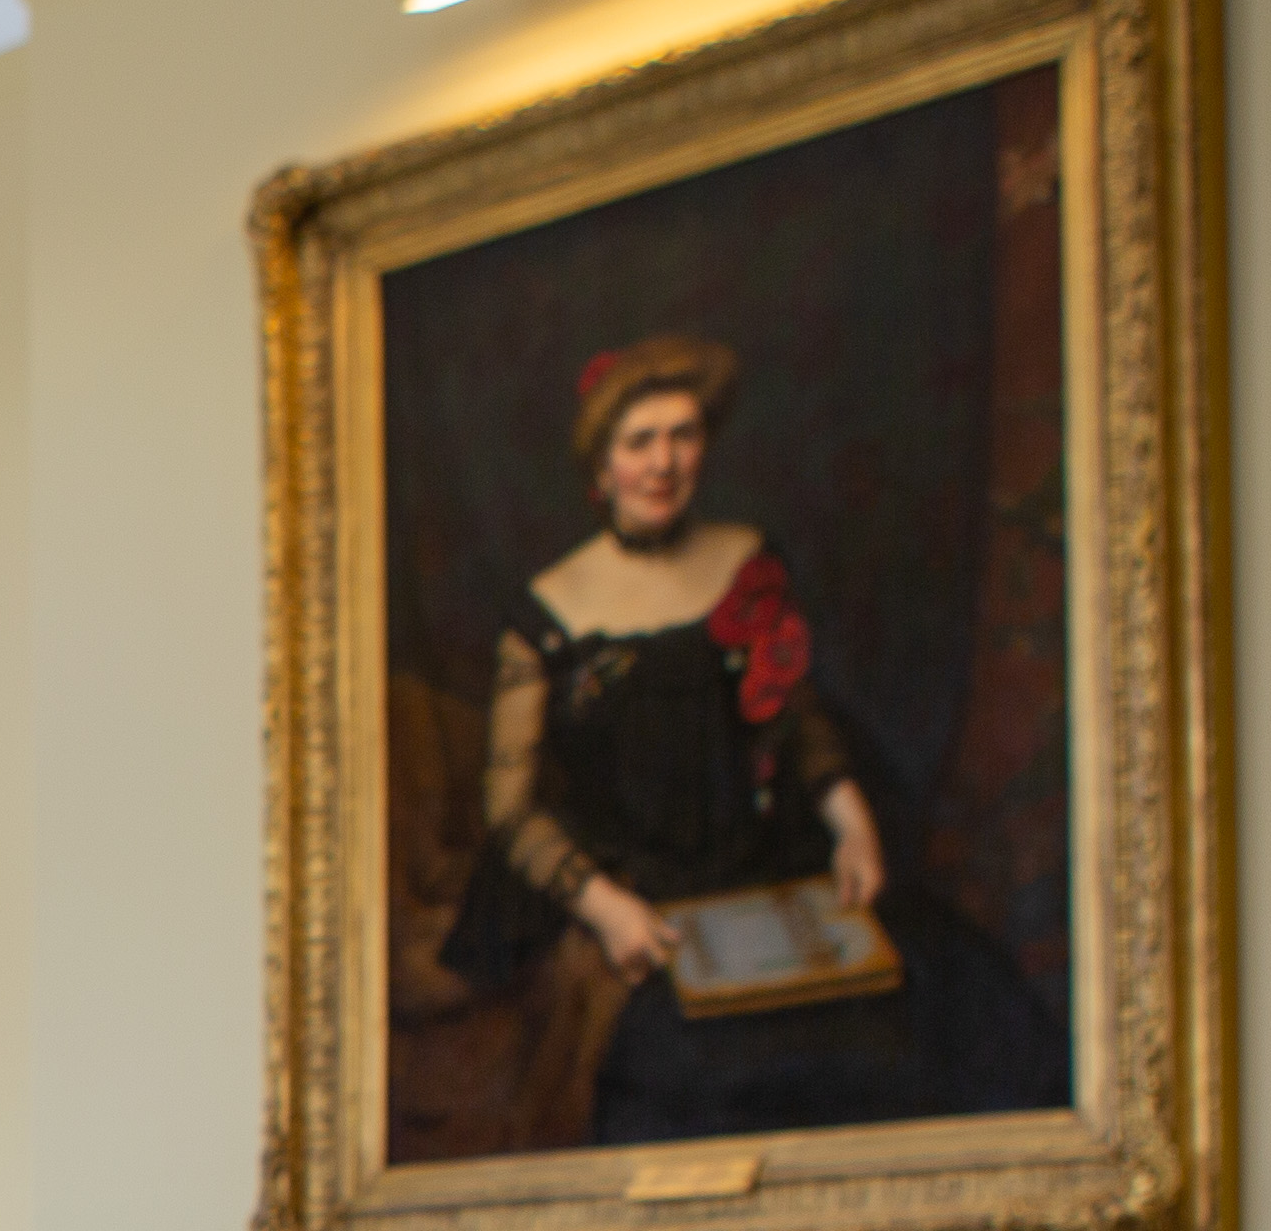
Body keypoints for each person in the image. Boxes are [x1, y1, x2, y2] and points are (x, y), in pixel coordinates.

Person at [444, 335, 1055, 1146]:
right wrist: (608, 909)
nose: (664, 463)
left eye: (683, 435)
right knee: (693, 1068)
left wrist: (851, 822)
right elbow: (509, 809)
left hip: (761, 859)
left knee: (938, 1006)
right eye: (639, 442)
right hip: (631, 881)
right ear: (602, 466)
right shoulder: (546, 612)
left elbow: (791, 713)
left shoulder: (744, 559)